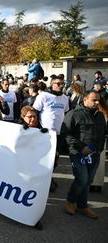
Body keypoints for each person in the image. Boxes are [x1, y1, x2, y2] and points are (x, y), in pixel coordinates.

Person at [61, 91, 106, 220]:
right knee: (82, 179)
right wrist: (81, 147)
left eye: (98, 100)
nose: (97, 102)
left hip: (95, 154)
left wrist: (100, 148)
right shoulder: (74, 114)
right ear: (85, 99)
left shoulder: (100, 115)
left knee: (88, 181)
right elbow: (66, 134)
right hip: (78, 153)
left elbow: (103, 133)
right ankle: (70, 201)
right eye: (94, 100)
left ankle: (82, 205)